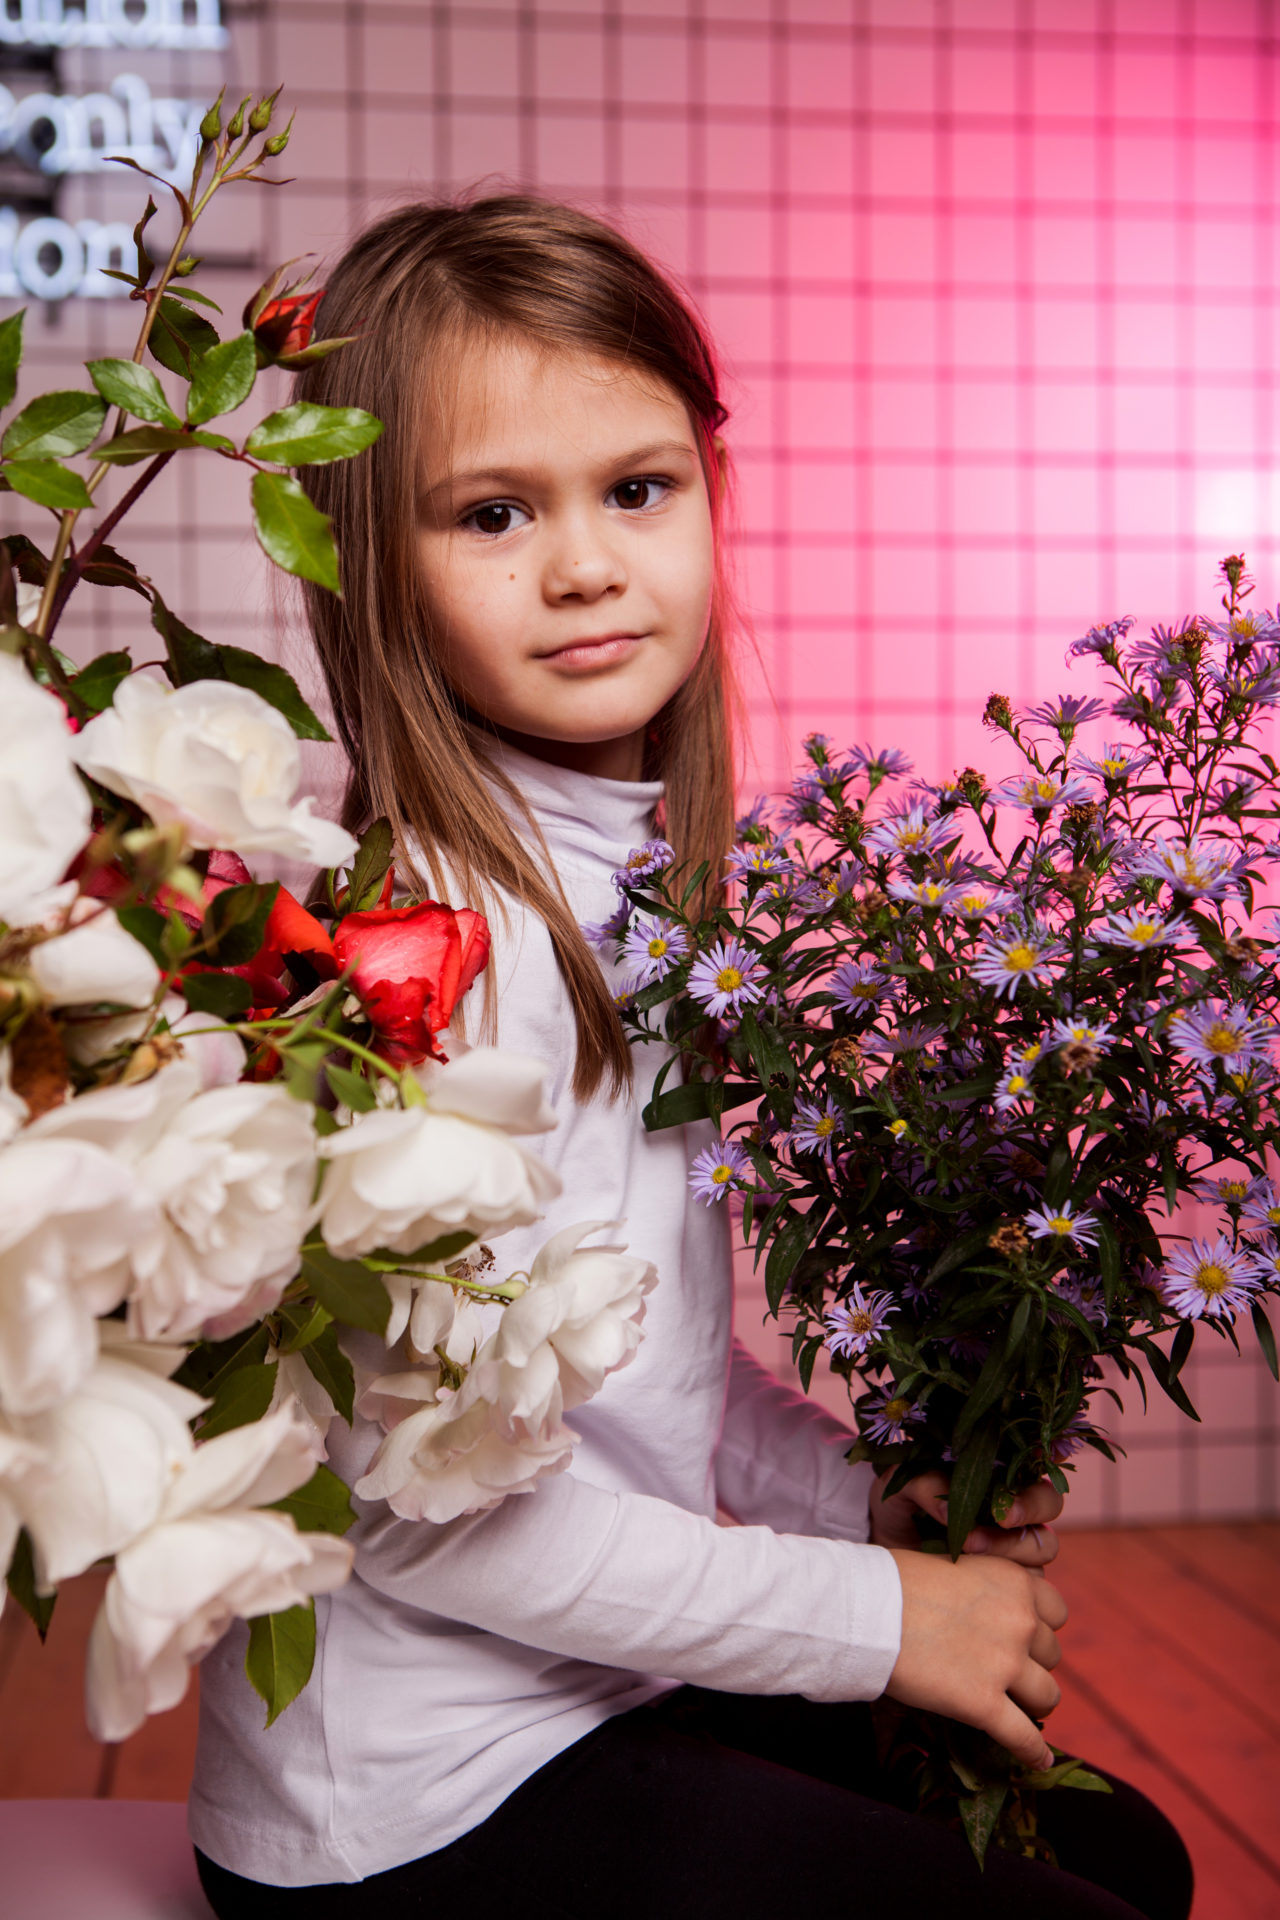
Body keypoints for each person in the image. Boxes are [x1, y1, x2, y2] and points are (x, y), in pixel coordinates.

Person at [190, 197, 1192, 1920]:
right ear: (370, 563)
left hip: (593, 1692)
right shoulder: (427, 953)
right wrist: (881, 1616)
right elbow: (441, 1513)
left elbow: (633, 1371)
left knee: (1125, 1859)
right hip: (418, 1809)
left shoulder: (634, 886)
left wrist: (861, 1490)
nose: (586, 564)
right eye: (495, 513)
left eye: (635, 489)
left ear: (710, 493)